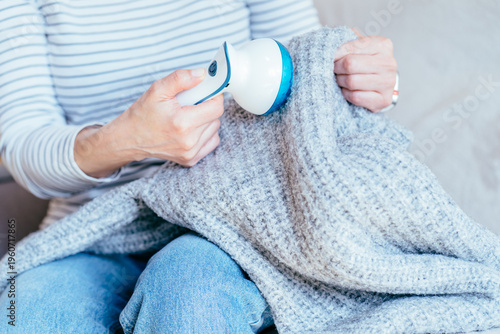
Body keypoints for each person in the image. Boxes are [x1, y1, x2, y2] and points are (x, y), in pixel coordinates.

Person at [0, 1, 397, 333]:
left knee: (189, 288)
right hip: (95, 232)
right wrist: (126, 139)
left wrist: (361, 80)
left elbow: (305, 75)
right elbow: (24, 150)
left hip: (232, 225)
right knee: (25, 315)